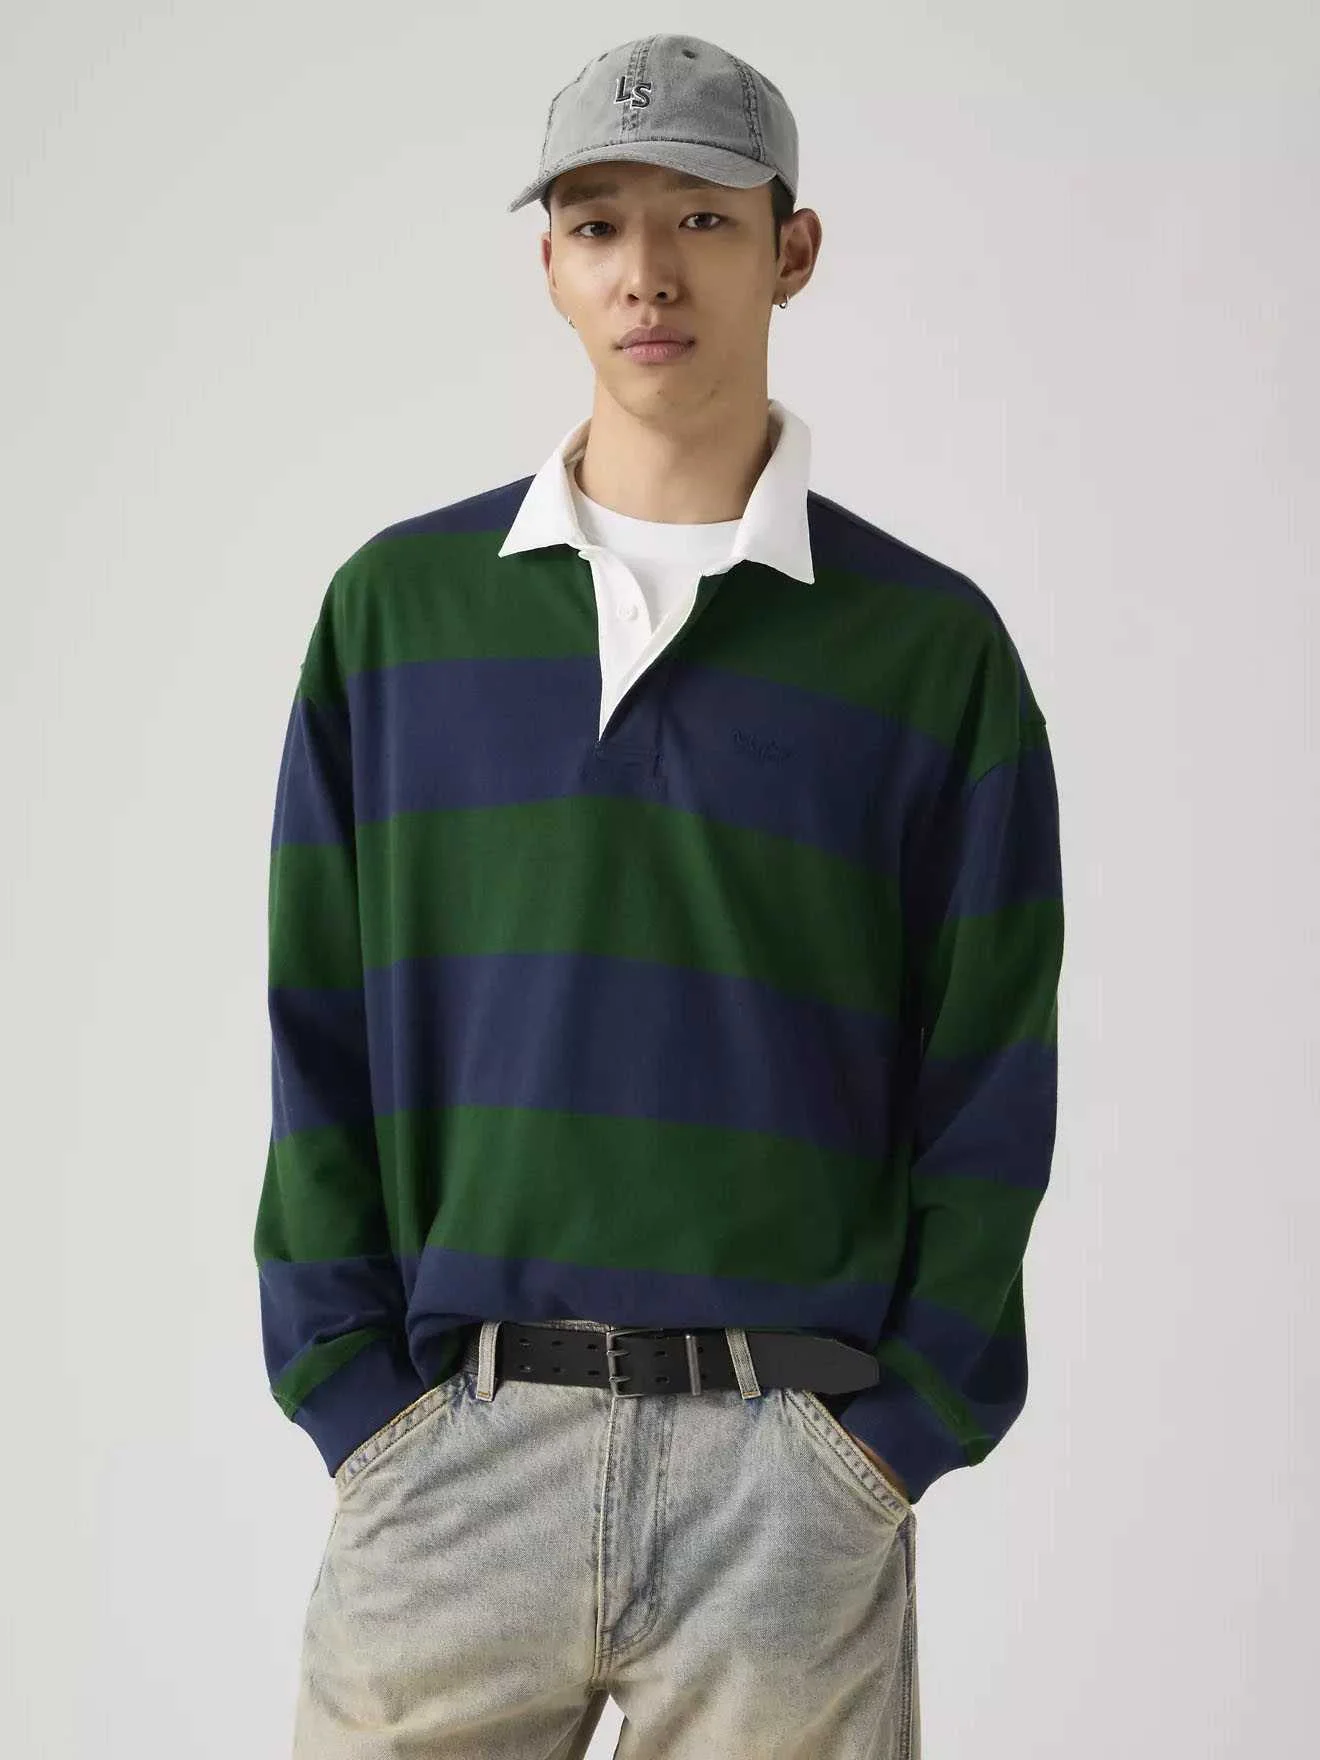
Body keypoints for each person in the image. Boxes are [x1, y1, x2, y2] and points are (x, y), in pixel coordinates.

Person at [257, 32, 1065, 1760]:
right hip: (452, 1455)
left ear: (792, 249)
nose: (648, 271)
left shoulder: (929, 652)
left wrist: (888, 1442)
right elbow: (315, 1024)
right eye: (598, 222)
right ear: (549, 264)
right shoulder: (397, 618)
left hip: (791, 1473)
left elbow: (991, 1076)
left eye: (701, 217)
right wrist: (352, 1397)